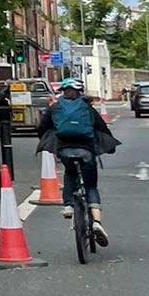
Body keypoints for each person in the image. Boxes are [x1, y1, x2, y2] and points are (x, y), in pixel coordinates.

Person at [37, 77, 119, 245]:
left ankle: (68, 205)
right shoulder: (88, 109)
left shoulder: (55, 108)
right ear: (79, 92)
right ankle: (96, 222)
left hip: (65, 150)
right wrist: (110, 146)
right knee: (90, 186)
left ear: (64, 92)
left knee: (70, 173)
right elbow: (102, 129)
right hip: (86, 152)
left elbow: (42, 128)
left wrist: (48, 142)